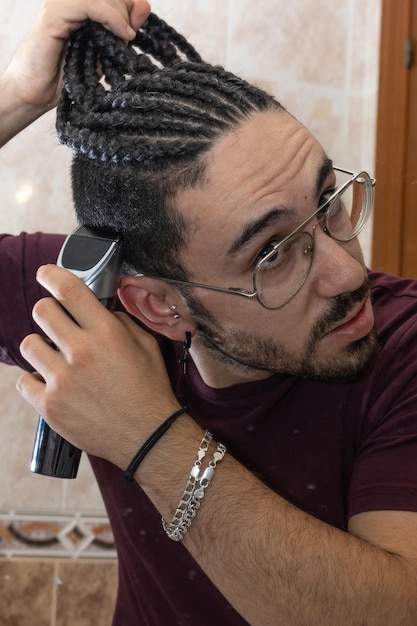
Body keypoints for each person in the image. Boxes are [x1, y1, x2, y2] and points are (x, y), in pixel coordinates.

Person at [1, 1, 417, 624]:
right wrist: (14, 95)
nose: (348, 272)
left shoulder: (405, 343)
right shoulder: (92, 308)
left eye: (328, 202)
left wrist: (147, 435)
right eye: (273, 252)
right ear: (160, 307)